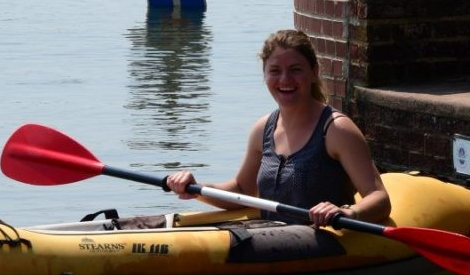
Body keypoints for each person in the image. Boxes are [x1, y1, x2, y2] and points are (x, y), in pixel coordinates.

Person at [165, 29, 391, 227]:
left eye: (295, 69)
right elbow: (243, 190)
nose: (285, 79)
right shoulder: (263, 128)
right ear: (265, 75)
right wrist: (196, 188)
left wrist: (348, 213)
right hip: (271, 238)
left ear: (313, 72)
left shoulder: (337, 130)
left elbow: (378, 197)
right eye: (275, 71)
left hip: (324, 243)